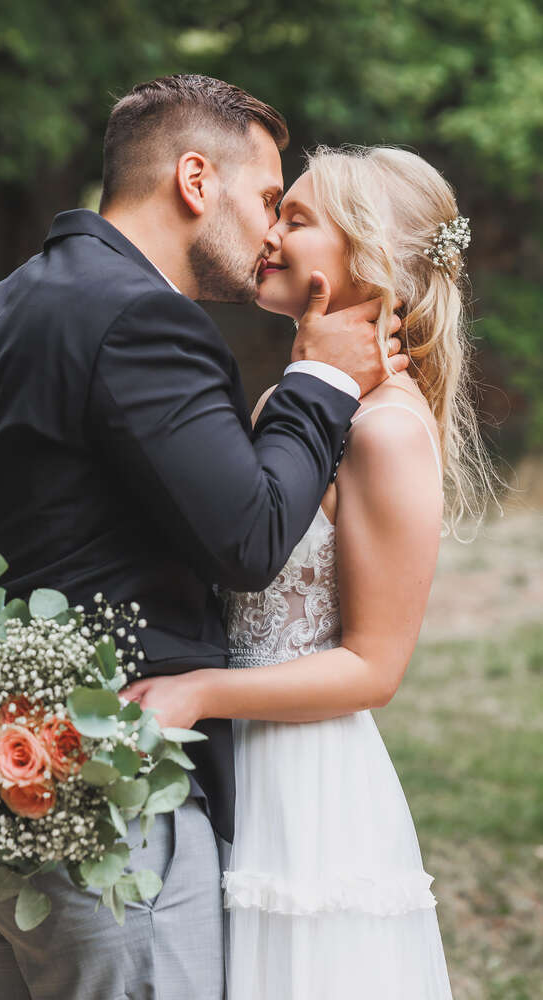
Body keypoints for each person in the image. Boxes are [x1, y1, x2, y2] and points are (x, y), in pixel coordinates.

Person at [0, 78, 406, 999]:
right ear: (192, 179)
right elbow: (251, 539)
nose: (269, 231)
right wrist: (319, 382)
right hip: (103, 802)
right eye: (265, 198)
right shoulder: (144, 319)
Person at [124, 145, 496, 998]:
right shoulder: (289, 404)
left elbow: (374, 667)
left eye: (295, 218)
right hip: (227, 765)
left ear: (368, 259)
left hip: (308, 792)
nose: (267, 233)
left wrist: (199, 692)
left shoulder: (387, 432)